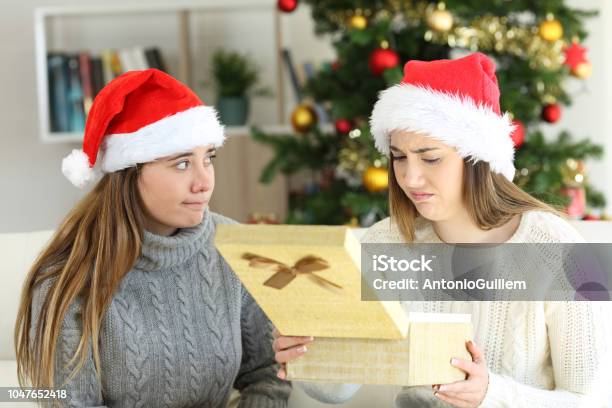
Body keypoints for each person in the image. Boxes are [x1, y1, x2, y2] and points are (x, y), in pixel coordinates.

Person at [272, 53, 611, 407]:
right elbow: (337, 389)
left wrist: (491, 394)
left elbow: (592, 400)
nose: (409, 177)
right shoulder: (385, 245)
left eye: (430, 157)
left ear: (477, 157)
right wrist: (306, 353)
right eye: (399, 157)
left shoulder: (561, 250)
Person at [14, 69, 291, 407]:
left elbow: (267, 374)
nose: (204, 182)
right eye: (181, 164)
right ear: (129, 173)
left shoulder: (234, 248)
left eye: (209, 159)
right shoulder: (67, 279)